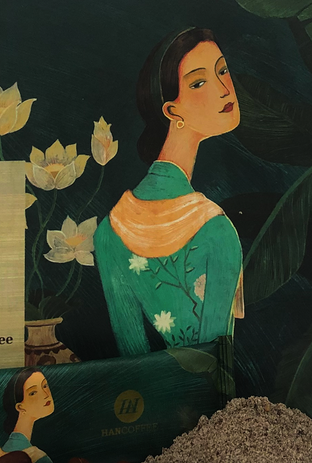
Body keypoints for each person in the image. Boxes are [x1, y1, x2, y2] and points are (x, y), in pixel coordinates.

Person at [94, 27, 244, 355]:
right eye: (198, 83)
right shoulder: (216, 231)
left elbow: (133, 365)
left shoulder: (108, 232)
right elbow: (217, 369)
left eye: (223, 71)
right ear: (172, 111)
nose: (224, 90)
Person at [0, 367, 55, 463]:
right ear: (20, 407)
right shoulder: (38, 459)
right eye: (33, 393)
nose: (46, 395)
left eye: (45, 386)